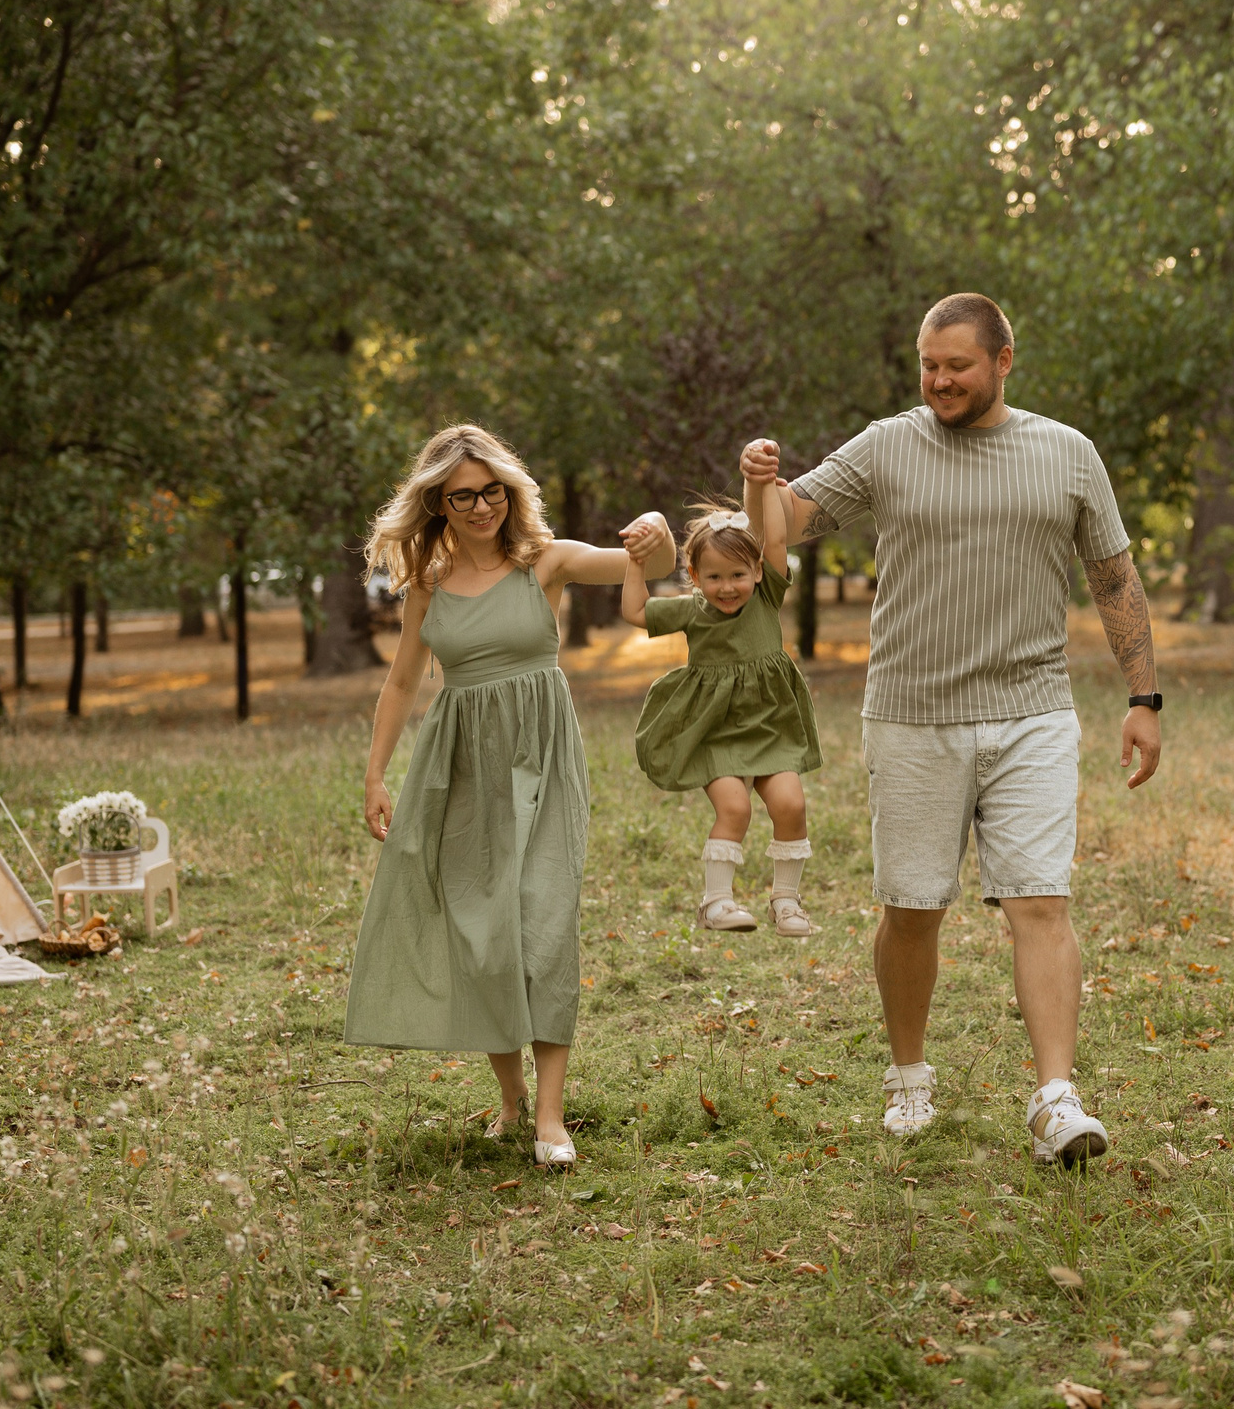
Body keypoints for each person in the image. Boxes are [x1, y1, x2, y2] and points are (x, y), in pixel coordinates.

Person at [741, 292, 1162, 1168]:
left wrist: (1143, 699)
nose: (939, 380)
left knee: (1040, 899)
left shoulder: (1067, 453)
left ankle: (1055, 1097)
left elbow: (1114, 578)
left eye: (957, 365)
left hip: (1033, 713)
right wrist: (757, 483)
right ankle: (907, 1075)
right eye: (928, 365)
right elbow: (782, 527)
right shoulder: (889, 443)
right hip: (912, 715)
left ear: (1004, 359)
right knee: (912, 907)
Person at [346, 424, 674, 1169]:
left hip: (543, 757)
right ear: (438, 502)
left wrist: (655, 532)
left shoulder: (544, 562)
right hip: (460, 764)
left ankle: (551, 1116)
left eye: (491, 490)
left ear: (508, 489)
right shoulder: (428, 583)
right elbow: (401, 682)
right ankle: (511, 1097)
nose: (480, 505)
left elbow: (643, 560)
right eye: (461, 496)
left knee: (547, 923)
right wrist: (374, 774)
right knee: (485, 930)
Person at [621, 471, 823, 938]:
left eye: (737, 575)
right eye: (713, 577)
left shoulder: (768, 594)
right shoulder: (693, 610)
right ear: (694, 577)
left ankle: (786, 901)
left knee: (790, 805)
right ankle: (716, 903)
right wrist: (635, 562)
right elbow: (634, 611)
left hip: (771, 725)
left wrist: (767, 485)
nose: (727, 587)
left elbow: (773, 536)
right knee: (735, 808)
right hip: (715, 729)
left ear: (756, 571)